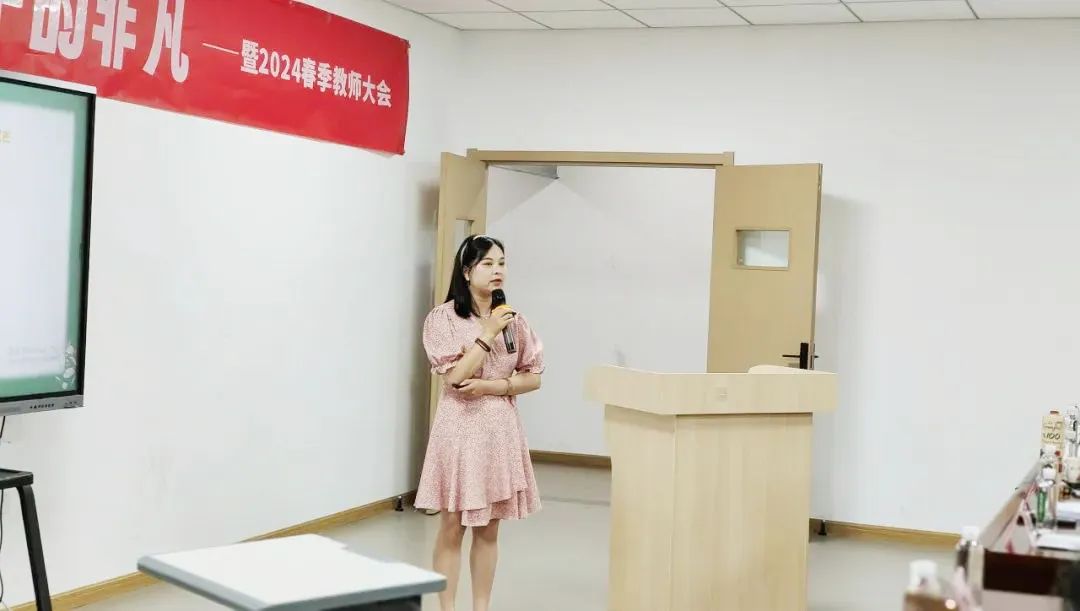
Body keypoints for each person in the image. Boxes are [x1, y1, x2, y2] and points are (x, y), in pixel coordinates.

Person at [414, 234, 545, 611]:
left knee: (489, 529)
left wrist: (493, 386)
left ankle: (481, 607)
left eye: (501, 262)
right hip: (459, 429)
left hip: (499, 431)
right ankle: (447, 608)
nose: (497, 270)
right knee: (452, 525)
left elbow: (533, 375)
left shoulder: (514, 320)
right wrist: (487, 334)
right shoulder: (443, 318)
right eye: (487, 263)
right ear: (467, 271)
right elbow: (455, 377)